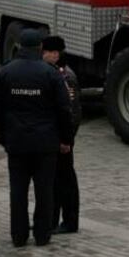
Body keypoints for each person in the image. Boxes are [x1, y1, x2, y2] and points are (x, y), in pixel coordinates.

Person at [0, 29, 74, 248]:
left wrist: (3, 138)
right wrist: (66, 139)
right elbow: (64, 109)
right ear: (40, 48)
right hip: (45, 144)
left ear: (19, 46)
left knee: (17, 192)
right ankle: (42, 235)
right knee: (44, 191)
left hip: (16, 143)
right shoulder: (50, 73)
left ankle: (18, 236)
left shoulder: (5, 72)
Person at [42, 35, 80, 235]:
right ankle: (51, 220)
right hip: (54, 137)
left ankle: (69, 221)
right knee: (53, 181)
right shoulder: (52, 72)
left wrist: (67, 139)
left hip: (62, 140)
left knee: (65, 181)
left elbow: (72, 112)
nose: (42, 55)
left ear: (55, 54)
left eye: (45, 52)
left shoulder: (66, 77)